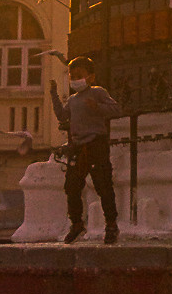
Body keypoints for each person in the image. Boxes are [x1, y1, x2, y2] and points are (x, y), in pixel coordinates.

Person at [53, 57, 124, 243]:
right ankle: (76, 224)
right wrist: (53, 95)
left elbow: (116, 110)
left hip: (96, 144)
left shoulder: (97, 93)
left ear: (91, 77)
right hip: (78, 147)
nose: (76, 80)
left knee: (103, 185)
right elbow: (62, 115)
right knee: (72, 186)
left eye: (79, 75)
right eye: (72, 76)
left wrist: (98, 107)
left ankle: (111, 224)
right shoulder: (72, 100)